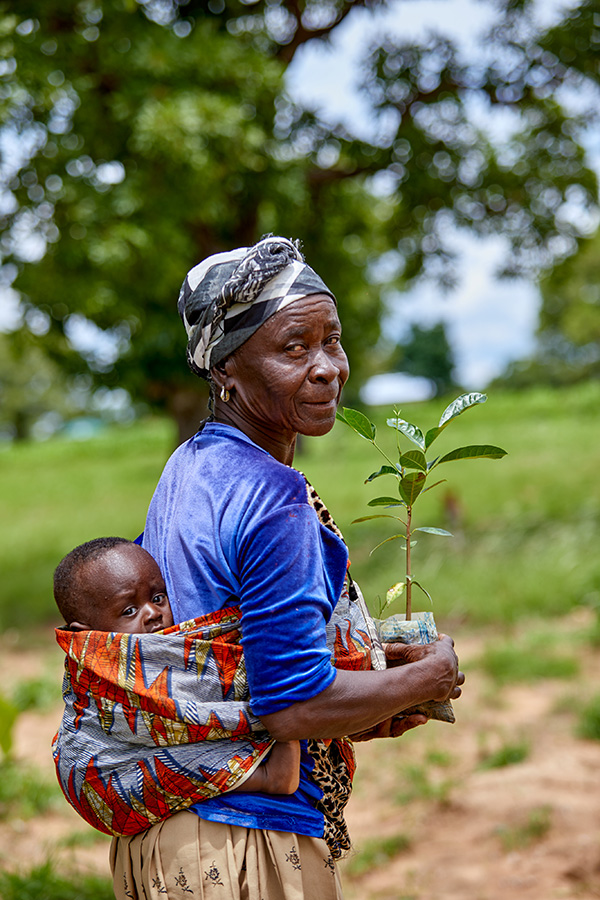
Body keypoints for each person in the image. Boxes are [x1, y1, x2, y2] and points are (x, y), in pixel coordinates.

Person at [106, 235, 464, 900]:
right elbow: (293, 705)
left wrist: (376, 676)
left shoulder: (192, 467)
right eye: (293, 348)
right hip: (239, 848)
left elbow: (236, 657)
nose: (327, 367)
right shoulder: (273, 497)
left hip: (170, 836)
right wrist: (431, 676)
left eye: (331, 340)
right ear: (226, 372)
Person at [52, 536, 301, 797]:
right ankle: (269, 777)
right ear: (85, 634)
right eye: (129, 611)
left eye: (158, 597)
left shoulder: (183, 651)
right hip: (106, 773)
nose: (152, 613)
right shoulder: (104, 676)